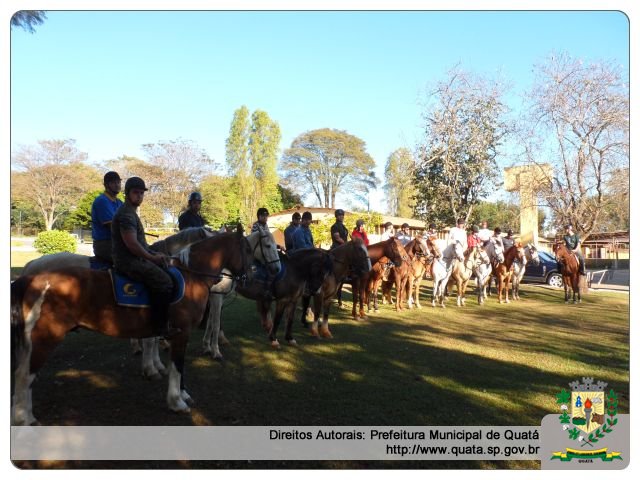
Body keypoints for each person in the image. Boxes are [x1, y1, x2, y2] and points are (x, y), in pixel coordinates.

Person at [111, 177, 178, 338]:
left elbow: (141, 244)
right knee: (164, 281)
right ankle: (159, 327)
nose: (139, 196)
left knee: (166, 267)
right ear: (127, 194)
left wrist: (155, 254)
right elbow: (132, 244)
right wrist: (151, 257)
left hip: (134, 257)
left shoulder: (131, 212)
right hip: (127, 261)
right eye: (136, 192)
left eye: (142, 193)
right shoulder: (126, 214)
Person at [91, 171, 123, 263]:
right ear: (106, 185)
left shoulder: (120, 202)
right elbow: (113, 226)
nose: (117, 185)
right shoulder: (102, 201)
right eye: (113, 182)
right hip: (105, 244)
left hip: (116, 243)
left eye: (118, 182)